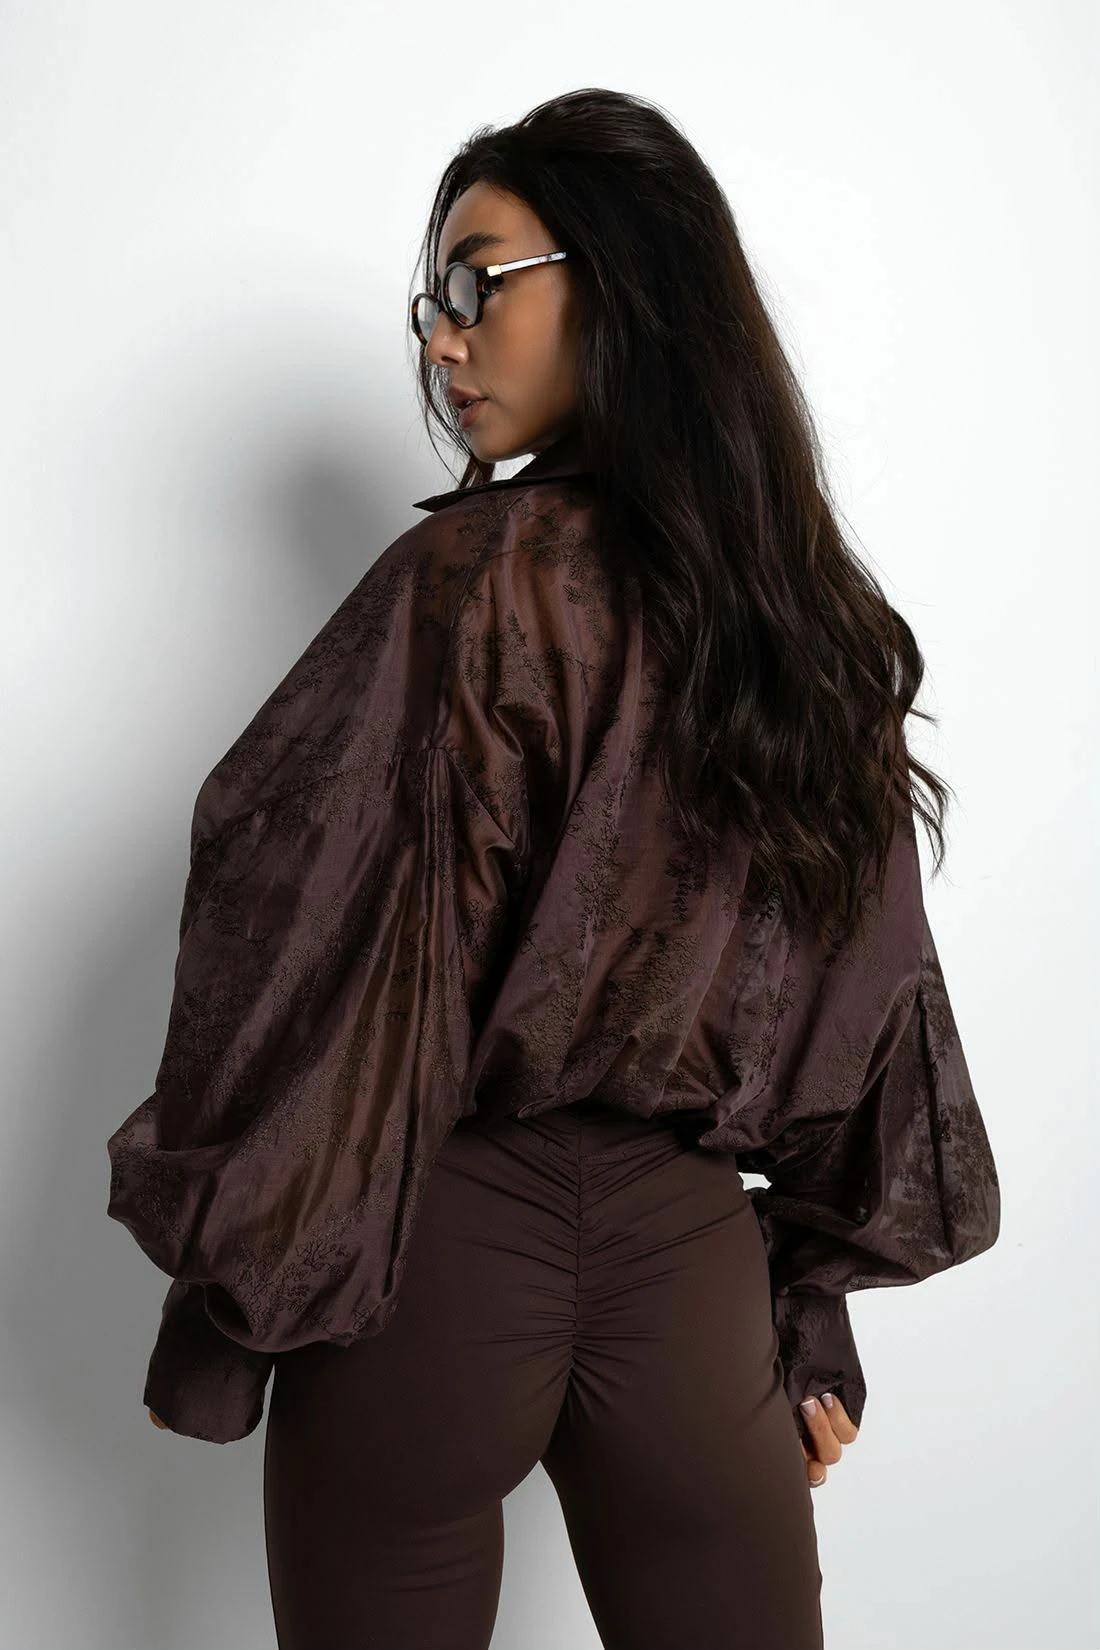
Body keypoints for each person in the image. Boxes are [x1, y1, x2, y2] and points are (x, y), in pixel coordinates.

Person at [106, 88, 1001, 1650]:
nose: (442, 341)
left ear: (622, 279)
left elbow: (296, 938)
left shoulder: (458, 589)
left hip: (434, 1266)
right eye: (428, 304)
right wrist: (804, 1300)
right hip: (692, 1284)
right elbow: (873, 990)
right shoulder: (802, 628)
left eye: (478, 283)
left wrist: (244, 1278)